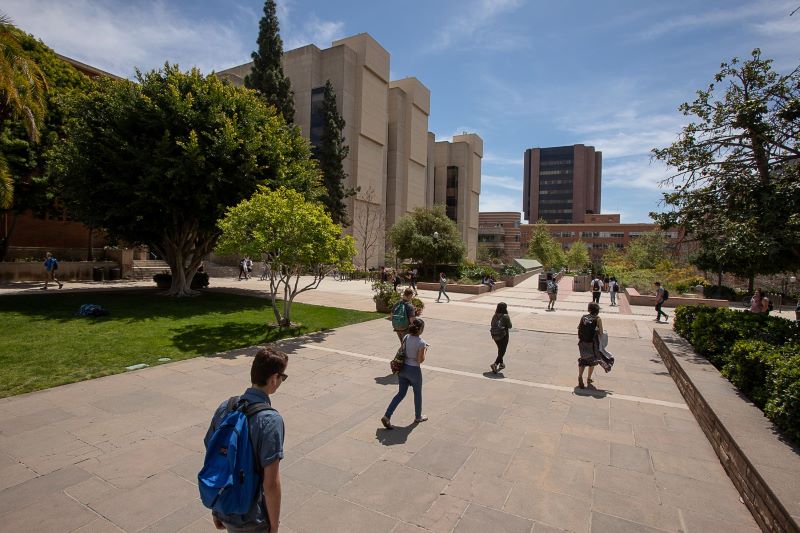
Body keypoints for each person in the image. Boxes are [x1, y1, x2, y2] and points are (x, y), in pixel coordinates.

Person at [204, 347, 288, 533]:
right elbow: (271, 484)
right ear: (274, 378)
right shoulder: (270, 420)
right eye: (283, 376)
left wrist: (217, 509)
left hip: (225, 505)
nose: (282, 381)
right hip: (252, 517)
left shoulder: (227, 406)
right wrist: (274, 526)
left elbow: (215, 459)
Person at [382, 319, 428, 428]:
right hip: (414, 371)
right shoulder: (421, 343)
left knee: (400, 394)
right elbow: (420, 360)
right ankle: (418, 416)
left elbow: (402, 350)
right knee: (417, 393)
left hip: (403, 369)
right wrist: (425, 349)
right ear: (421, 330)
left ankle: (387, 415)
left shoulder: (406, 337)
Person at [577, 302, 603, 389]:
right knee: (592, 361)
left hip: (582, 342)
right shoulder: (598, 319)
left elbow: (579, 327)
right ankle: (588, 378)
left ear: (589, 309)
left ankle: (580, 376)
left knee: (583, 359)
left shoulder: (583, 317)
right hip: (591, 343)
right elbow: (601, 333)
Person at [490, 302, 512, 373]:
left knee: (500, 349)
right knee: (503, 350)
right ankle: (495, 364)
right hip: (503, 335)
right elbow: (510, 326)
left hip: (494, 334)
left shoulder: (494, 315)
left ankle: (501, 364)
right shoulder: (505, 316)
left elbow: (492, 324)